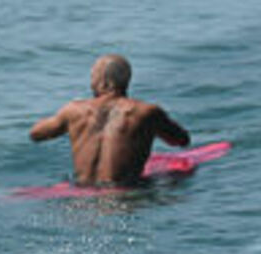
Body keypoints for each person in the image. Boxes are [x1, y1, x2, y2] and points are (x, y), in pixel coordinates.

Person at [30, 54, 191, 186]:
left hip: (82, 193)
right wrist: (151, 129)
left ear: (104, 82)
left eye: (93, 77)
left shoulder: (73, 110)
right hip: (126, 196)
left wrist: (66, 119)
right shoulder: (146, 112)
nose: (91, 83)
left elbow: (35, 134)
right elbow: (182, 140)